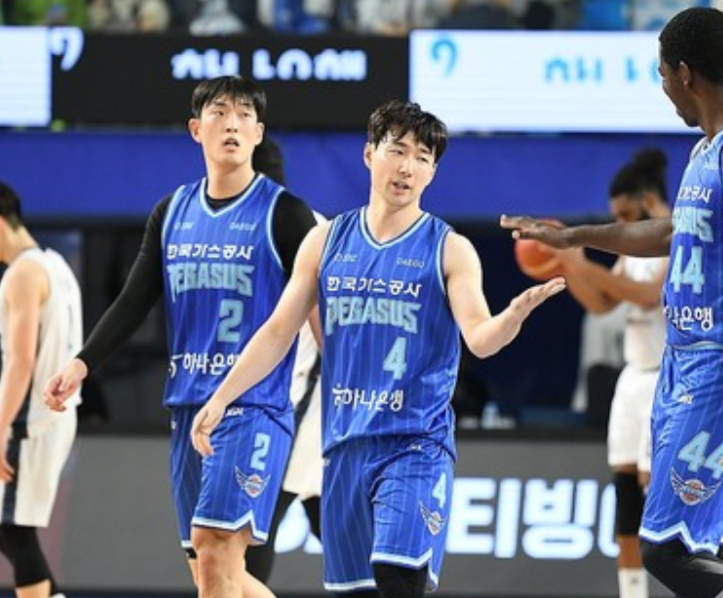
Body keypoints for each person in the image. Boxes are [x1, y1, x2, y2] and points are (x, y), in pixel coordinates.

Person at [186, 99, 565, 598]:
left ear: (432, 173)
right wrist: (221, 397)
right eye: (398, 150)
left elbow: (480, 337)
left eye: (423, 158)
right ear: (370, 155)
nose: (407, 167)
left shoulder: (450, 249)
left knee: (397, 577)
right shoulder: (325, 241)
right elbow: (278, 331)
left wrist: (511, 317)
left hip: (414, 445)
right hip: (344, 447)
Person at [503, 7, 723, 598]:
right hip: (683, 363)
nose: (663, 87)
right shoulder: (705, 153)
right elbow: (670, 231)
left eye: (663, 75)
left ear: (685, 74)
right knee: (702, 547)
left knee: (666, 549)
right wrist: (572, 237)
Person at [43, 76, 319, 598]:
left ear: (258, 133)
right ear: (196, 129)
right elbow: (134, 300)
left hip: (253, 405)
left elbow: (319, 315)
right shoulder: (172, 212)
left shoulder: (287, 214)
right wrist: (81, 363)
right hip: (189, 406)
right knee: (212, 571)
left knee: (216, 550)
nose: (232, 124)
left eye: (244, 115)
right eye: (220, 112)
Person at [553, 147, 672, 598]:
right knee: (625, 492)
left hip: (668, 375)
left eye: (624, 215)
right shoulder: (633, 248)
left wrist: (583, 261)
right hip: (633, 375)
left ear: (647, 200)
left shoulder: (676, 234)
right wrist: (568, 266)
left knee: (657, 496)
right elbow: (605, 303)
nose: (619, 224)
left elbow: (647, 296)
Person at [243, 133, 325, 584]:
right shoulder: (234, 222)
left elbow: (326, 325)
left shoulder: (304, 228)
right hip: (257, 398)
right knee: (326, 521)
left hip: (296, 401)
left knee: (252, 527)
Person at [0, 181, 82, 598]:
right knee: (14, 531)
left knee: (12, 531)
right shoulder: (57, 265)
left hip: (28, 421)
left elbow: (21, 360)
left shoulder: (22, 273)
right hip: (54, 417)